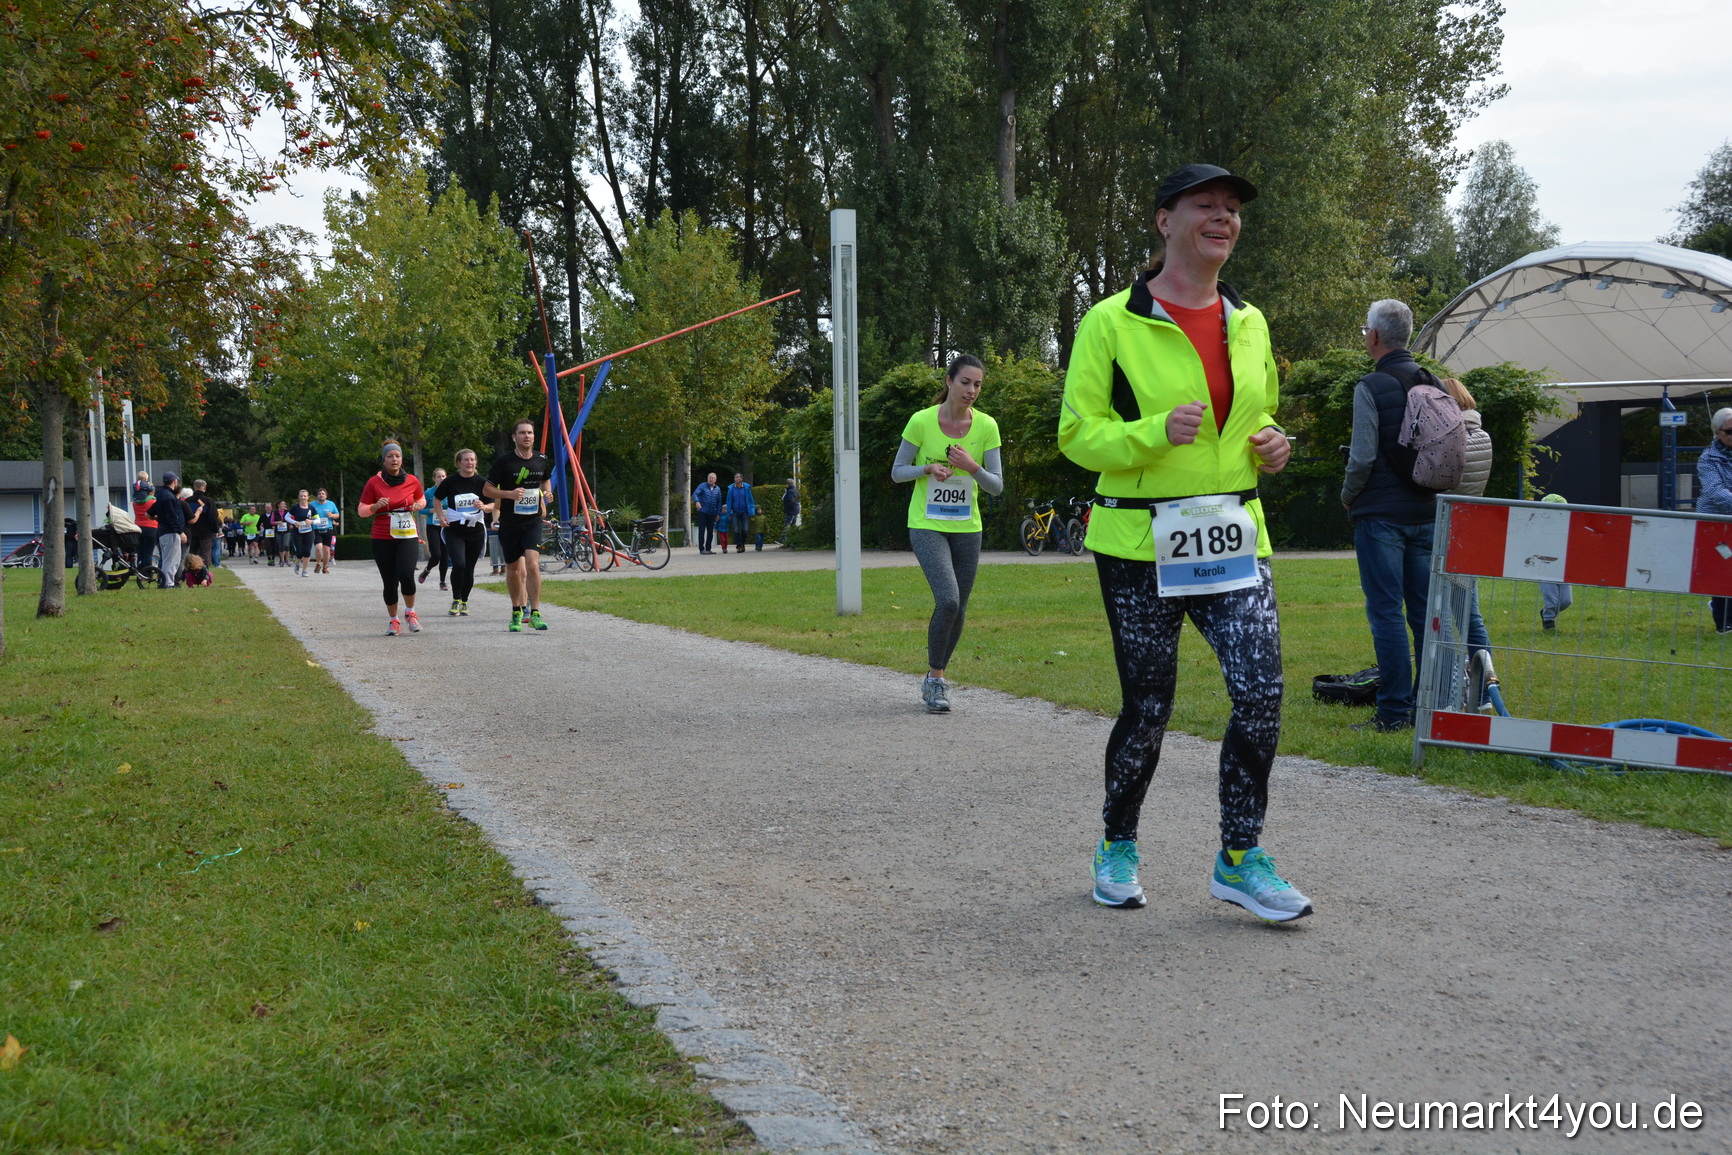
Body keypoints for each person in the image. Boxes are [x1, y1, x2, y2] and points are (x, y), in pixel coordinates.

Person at [1058, 163, 1309, 922]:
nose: (1223, 217)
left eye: (1232, 208)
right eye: (1206, 205)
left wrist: (1275, 443)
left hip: (1233, 535)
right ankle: (1117, 843)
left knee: (1261, 692)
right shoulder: (1110, 321)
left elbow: (1258, 414)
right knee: (1148, 706)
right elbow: (1077, 434)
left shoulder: (1250, 321)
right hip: (1139, 543)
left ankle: (1240, 857)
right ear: (1165, 220)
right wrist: (1150, 433)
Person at [1341, 298, 1438, 733]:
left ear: (1375, 336)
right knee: (1423, 614)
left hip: (1381, 515)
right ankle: (1427, 705)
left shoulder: (1371, 385)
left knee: (1386, 612)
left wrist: (1348, 496)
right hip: (1426, 510)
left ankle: (1394, 711)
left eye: (1365, 330)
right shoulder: (1432, 381)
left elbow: (1362, 457)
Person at [891, 354, 1003, 713]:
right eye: (965, 382)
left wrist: (972, 467)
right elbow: (897, 471)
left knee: (960, 608)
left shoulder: (987, 426)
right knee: (949, 600)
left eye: (978, 384)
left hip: (967, 528)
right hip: (927, 525)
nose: (972, 390)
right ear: (949, 381)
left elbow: (996, 485)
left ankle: (935, 676)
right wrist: (926, 469)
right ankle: (936, 680)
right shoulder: (921, 421)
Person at [1442, 378, 1494, 669]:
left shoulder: (1449, 435)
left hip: (1445, 526)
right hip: (1469, 526)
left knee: (1441, 612)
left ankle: (1449, 676)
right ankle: (1486, 682)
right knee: (1469, 612)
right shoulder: (1482, 435)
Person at [484, 419, 552, 632]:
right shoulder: (504, 461)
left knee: (532, 564)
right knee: (513, 570)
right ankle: (516, 611)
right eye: (522, 433)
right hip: (510, 523)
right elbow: (487, 490)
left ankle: (535, 613)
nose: (527, 436)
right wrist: (509, 494)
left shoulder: (541, 459)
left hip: (532, 521)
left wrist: (547, 492)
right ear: (514, 437)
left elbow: (545, 479)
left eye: (530, 432)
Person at [358, 442, 427, 636]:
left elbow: (421, 499)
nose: (394, 459)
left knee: (406, 574)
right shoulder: (374, 482)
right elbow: (361, 510)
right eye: (390, 456)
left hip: (407, 535)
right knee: (389, 581)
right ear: (384, 460)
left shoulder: (412, 480)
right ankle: (394, 620)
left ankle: (410, 612)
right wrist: (374, 507)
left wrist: (418, 505)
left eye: (397, 456)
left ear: (401, 459)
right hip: (382, 536)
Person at [432, 449, 494, 616]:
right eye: (466, 460)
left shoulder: (482, 482)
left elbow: (493, 504)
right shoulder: (450, 481)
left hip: (475, 530)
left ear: (476, 462)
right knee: (459, 564)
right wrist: (441, 516)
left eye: (472, 459)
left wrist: (484, 507)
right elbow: (437, 499)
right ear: (459, 463)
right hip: (455, 530)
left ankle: (464, 601)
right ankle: (456, 599)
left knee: (469, 568)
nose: (470, 463)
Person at [1699, 408, 1732, 633]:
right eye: (1730, 431)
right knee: (1723, 568)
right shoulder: (1707, 460)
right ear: (1717, 433)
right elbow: (1715, 491)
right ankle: (1724, 622)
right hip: (1715, 526)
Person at [1536, 492, 1575, 630]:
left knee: (1566, 601)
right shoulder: (1539, 526)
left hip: (1562, 566)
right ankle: (1548, 620)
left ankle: (1546, 612)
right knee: (1551, 599)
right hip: (1544, 566)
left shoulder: (1567, 526)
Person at [151, 471, 187, 588]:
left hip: (163, 530)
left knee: (167, 558)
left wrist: (160, 519)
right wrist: (180, 531)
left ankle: (165, 581)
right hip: (170, 532)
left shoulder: (161, 494)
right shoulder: (169, 497)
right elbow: (172, 516)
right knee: (171, 559)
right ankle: (168, 582)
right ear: (175, 481)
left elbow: (150, 513)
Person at [418, 467, 449, 589]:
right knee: (436, 555)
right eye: (439, 477)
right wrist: (431, 510)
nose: (441, 479)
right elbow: (420, 510)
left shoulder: (451, 491)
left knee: (445, 555)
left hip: (446, 526)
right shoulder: (429, 493)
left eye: (443, 476)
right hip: (433, 526)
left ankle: (442, 582)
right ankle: (427, 570)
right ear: (434, 479)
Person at [186, 480, 217, 569]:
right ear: (204, 488)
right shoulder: (208, 501)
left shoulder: (187, 501)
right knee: (205, 553)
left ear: (194, 487)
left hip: (191, 531)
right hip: (206, 532)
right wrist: (215, 530)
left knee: (192, 553)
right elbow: (213, 517)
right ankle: (204, 572)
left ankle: (191, 571)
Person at [310, 487, 340, 573]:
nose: (321, 495)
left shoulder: (331, 504)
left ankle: (325, 567)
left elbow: (337, 515)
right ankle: (318, 564)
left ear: (326, 496)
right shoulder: (312, 504)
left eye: (323, 494)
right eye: (319, 494)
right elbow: (307, 515)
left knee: (327, 550)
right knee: (318, 547)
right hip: (316, 529)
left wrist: (331, 515)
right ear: (317, 496)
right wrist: (311, 518)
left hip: (328, 529)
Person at [288, 489, 317, 577]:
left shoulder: (311, 508)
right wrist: (294, 522)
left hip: (309, 532)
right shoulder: (295, 508)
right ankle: (297, 564)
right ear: (299, 497)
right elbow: (286, 517)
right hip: (298, 532)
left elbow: (318, 519)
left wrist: (311, 522)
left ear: (308, 497)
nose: (303, 497)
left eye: (304, 496)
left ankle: (305, 570)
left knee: (307, 551)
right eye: (301, 496)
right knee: (299, 552)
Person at [692, 472, 723, 554]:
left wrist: (718, 513)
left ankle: (708, 549)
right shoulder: (702, 486)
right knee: (701, 530)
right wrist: (697, 501)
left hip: (712, 513)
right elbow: (695, 494)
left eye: (712, 478)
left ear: (715, 480)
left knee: (710, 531)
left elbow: (719, 502)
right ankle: (701, 549)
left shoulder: (717, 489)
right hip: (702, 511)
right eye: (709, 477)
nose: (710, 479)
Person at [725, 472, 756, 553]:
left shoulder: (746, 488)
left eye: (737, 477)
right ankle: (738, 545)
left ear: (741, 479)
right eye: (735, 477)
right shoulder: (731, 489)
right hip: (735, 512)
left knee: (745, 530)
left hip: (744, 511)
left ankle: (742, 543)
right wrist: (729, 512)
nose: (736, 479)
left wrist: (751, 512)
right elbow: (729, 501)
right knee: (736, 530)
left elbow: (750, 500)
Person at [134, 484, 160, 582]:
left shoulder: (135, 503)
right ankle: (148, 574)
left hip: (137, 528)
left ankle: (140, 573)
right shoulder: (153, 502)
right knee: (148, 553)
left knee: (140, 553)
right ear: (151, 492)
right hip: (151, 527)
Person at [272, 500, 293, 568]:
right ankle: (282, 560)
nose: (284, 505)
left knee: (286, 545)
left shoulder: (287, 512)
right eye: (282, 504)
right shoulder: (275, 513)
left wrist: (291, 524)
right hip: (278, 531)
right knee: (280, 546)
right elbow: (271, 522)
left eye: (284, 504)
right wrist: (277, 522)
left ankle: (287, 559)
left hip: (287, 531)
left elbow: (292, 519)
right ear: (278, 505)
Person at [781, 478, 799, 546]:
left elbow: (790, 501)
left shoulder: (790, 492)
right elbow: (798, 498)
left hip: (791, 511)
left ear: (788, 484)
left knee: (787, 525)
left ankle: (784, 539)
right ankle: (792, 540)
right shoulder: (795, 490)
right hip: (795, 510)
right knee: (793, 525)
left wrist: (787, 507)